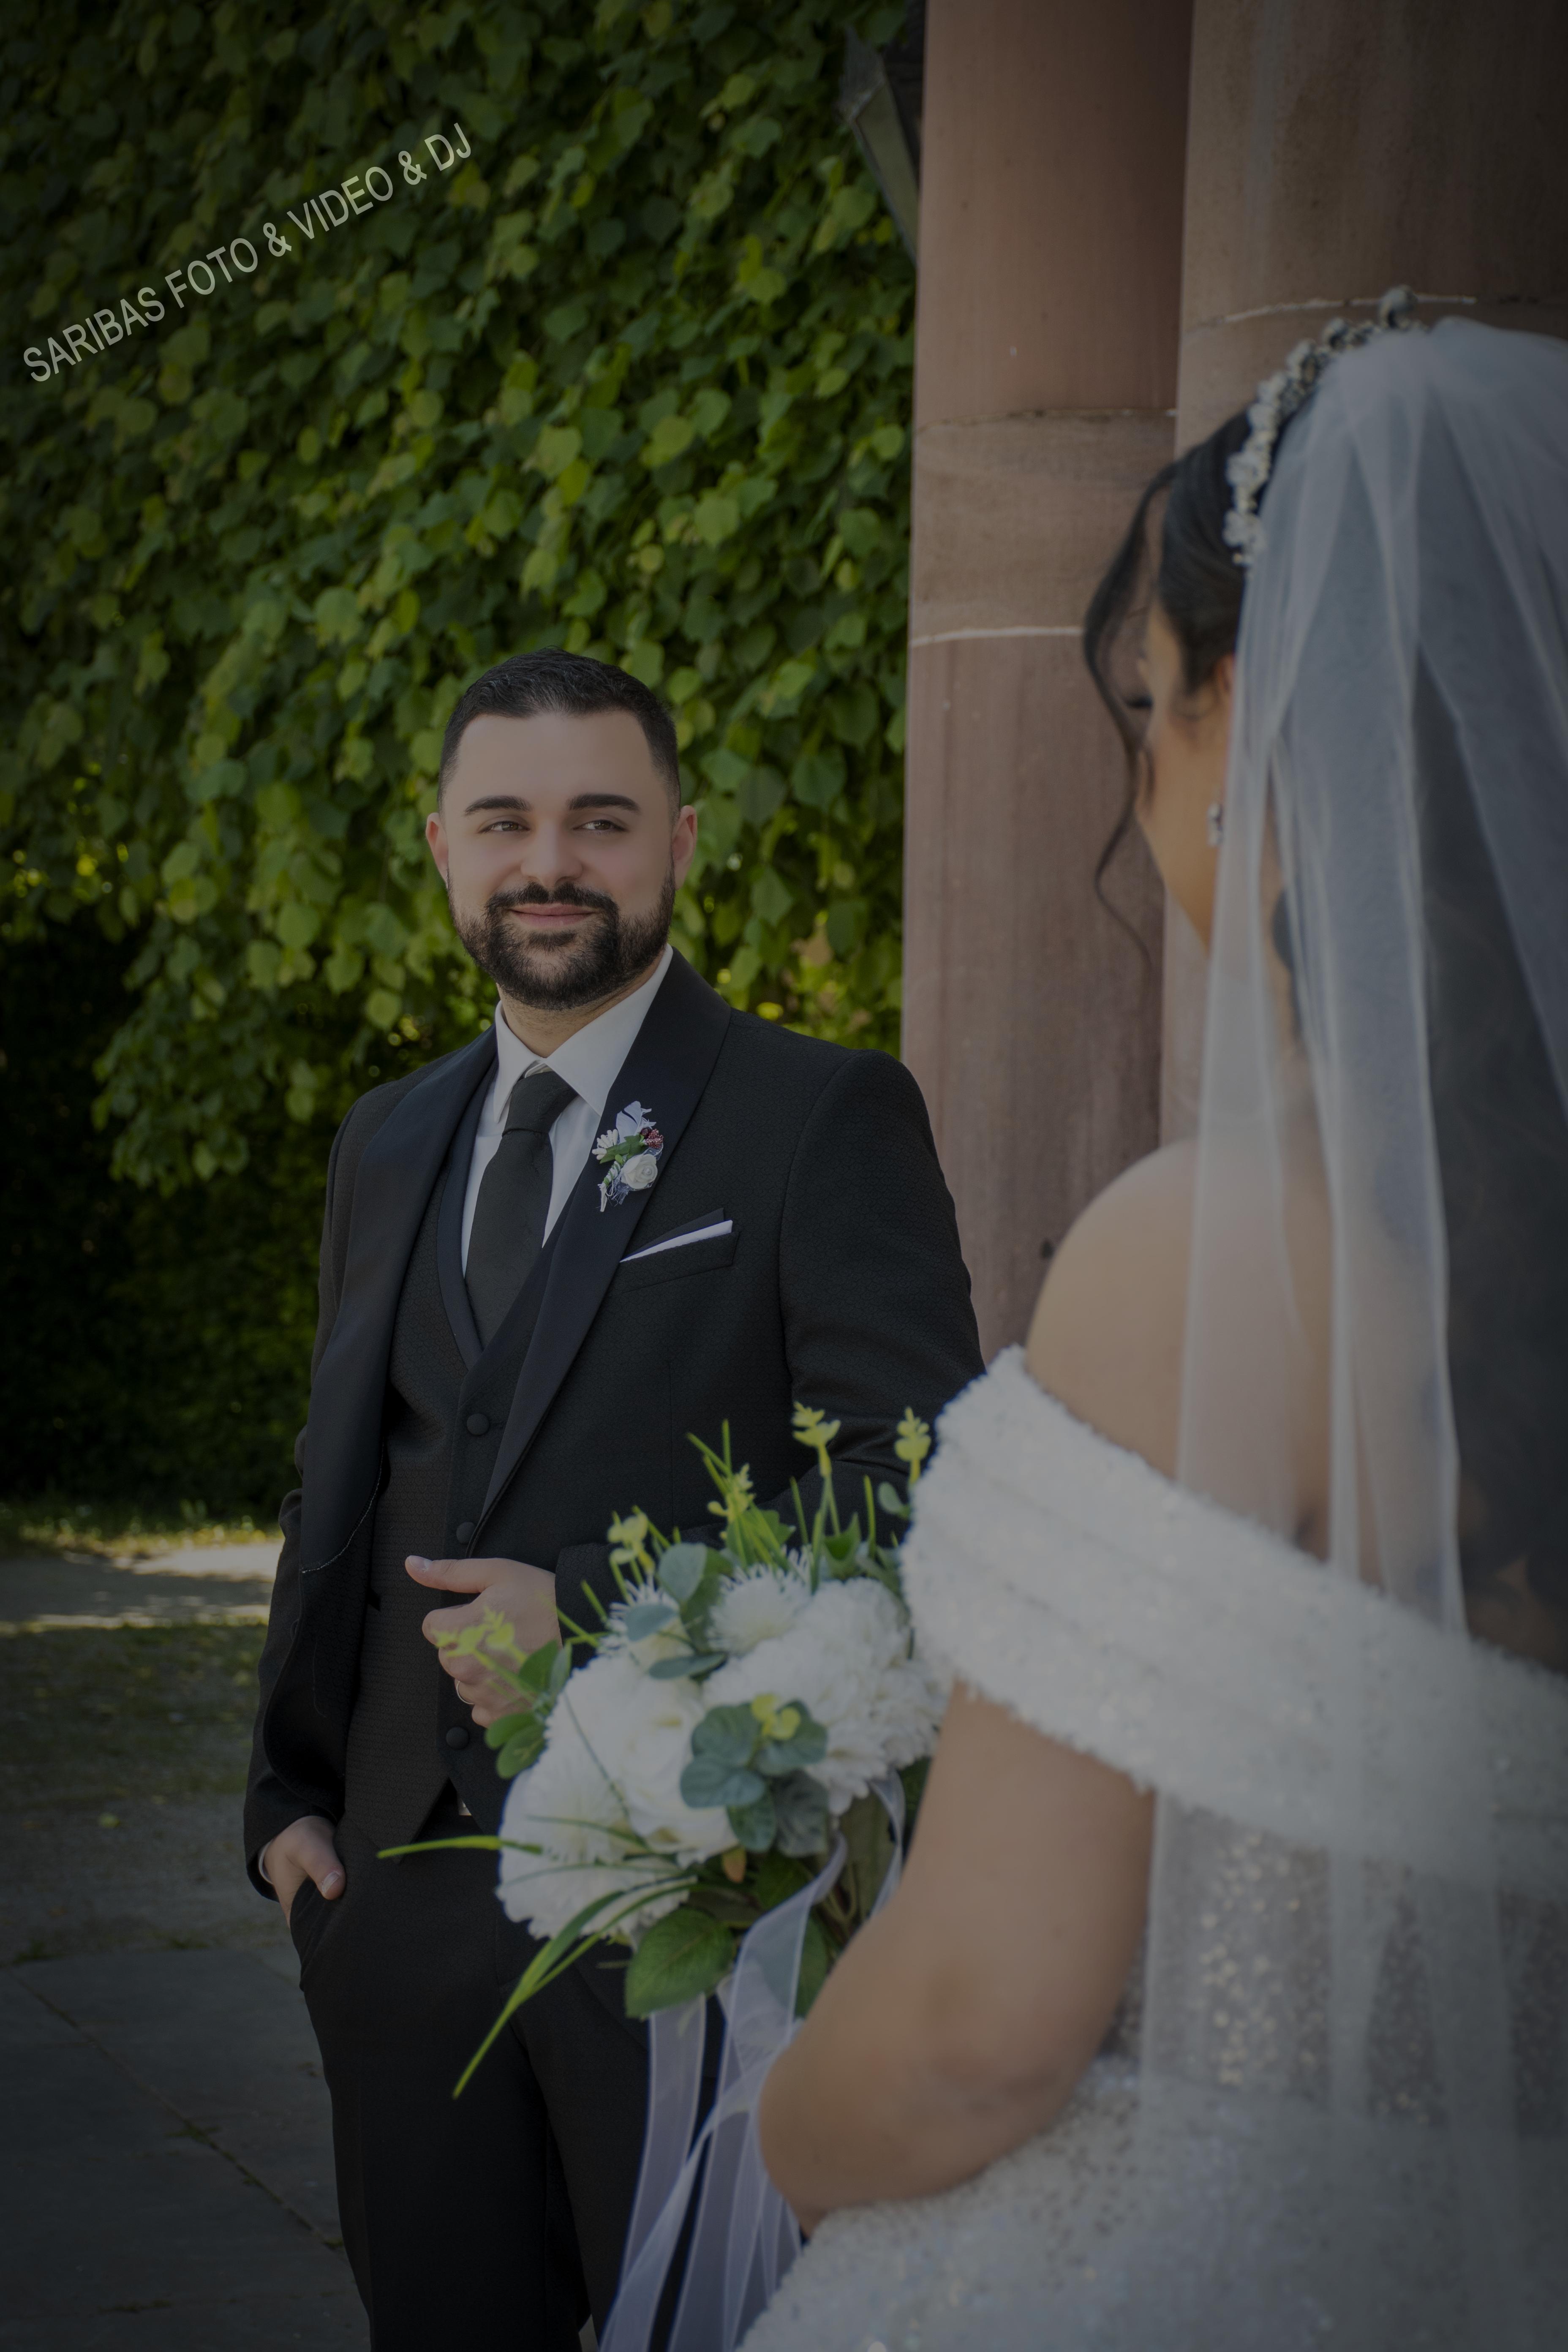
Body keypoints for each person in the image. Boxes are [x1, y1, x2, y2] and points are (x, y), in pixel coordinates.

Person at [744, 313, 1568, 2349]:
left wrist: (770, 2142)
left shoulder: (1215, 1260)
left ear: (1258, 722)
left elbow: (977, 2032)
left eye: (1152, 700)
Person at [242, 650, 984, 2351]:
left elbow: (916, 1481)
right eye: (505, 821)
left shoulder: (817, 1114)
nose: (550, 862)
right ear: (442, 846)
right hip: (390, 1911)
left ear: (682, 841)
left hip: (684, 1901)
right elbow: (340, 1477)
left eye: (602, 819)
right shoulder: (388, 1136)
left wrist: (584, 1605)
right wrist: (282, 1803)